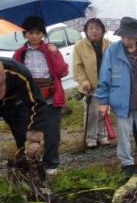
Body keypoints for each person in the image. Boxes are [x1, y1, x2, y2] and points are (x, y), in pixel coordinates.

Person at [96, 17, 137, 175]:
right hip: (121, 100)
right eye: (123, 36)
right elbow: (104, 77)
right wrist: (103, 101)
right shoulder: (112, 51)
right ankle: (127, 163)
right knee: (124, 134)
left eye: (129, 36)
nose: (126, 40)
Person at [13, 16, 69, 175]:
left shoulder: (50, 50)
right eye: (30, 33)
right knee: (30, 135)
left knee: (52, 134)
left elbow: (62, 72)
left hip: (51, 99)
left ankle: (51, 164)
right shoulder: (20, 54)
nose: (35, 36)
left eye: (38, 33)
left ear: (43, 34)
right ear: (25, 34)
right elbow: (16, 77)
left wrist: (55, 54)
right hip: (30, 101)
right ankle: (32, 165)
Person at [73, 18, 111, 149]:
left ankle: (102, 135)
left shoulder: (109, 44)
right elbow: (77, 67)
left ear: (103, 31)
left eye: (97, 28)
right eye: (91, 28)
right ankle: (90, 138)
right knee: (92, 113)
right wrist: (84, 81)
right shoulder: (79, 46)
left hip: (105, 85)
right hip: (90, 86)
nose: (94, 31)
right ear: (86, 31)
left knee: (103, 111)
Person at [0, 58, 45, 164]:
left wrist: (34, 137)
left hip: (14, 101)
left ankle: (26, 164)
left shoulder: (18, 71)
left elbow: (37, 104)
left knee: (24, 136)